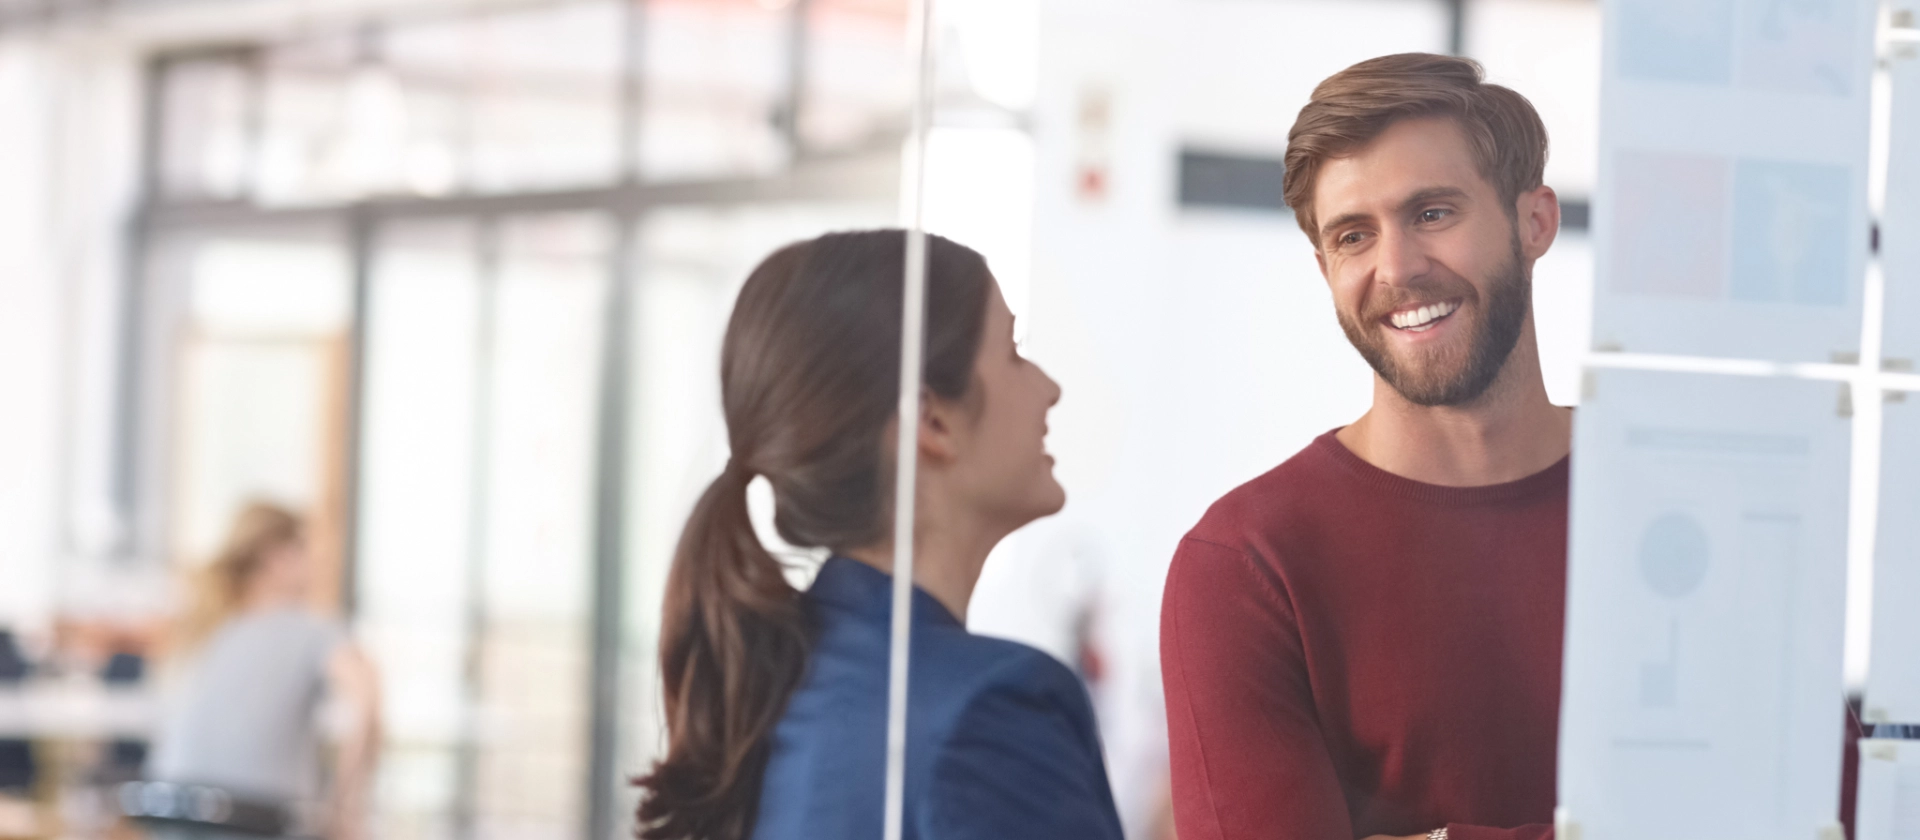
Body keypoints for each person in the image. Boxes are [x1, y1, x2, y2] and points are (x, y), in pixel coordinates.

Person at [1160, 53, 1570, 840]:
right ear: (1325, 268)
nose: (1399, 269)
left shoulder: (1680, 491)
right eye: (1354, 236)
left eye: (1433, 214)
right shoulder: (1244, 565)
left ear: (1534, 221)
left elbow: (1839, 813)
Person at [634, 230, 1123, 840]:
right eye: (1014, 353)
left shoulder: (776, 691)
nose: (1049, 389)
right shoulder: (995, 710)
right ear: (932, 420)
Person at [148, 502, 381, 840]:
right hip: (254, 818)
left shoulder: (203, 625)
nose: (319, 566)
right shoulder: (313, 631)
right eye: (309, 553)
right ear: (276, 556)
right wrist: (343, 805)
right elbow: (369, 703)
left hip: (167, 811)